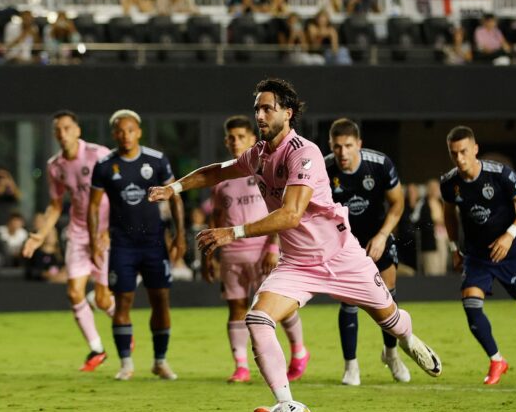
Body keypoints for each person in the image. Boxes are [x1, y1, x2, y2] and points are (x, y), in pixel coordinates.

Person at [148, 78, 441, 412]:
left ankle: (407, 339)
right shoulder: (258, 154)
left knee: (391, 321)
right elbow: (219, 171)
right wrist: (174, 188)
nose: (260, 115)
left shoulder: (304, 152)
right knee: (257, 320)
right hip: (298, 264)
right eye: (257, 108)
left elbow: (291, 214)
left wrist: (232, 233)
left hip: (341, 255)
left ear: (287, 113)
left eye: (267, 108)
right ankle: (288, 408)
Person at [441, 126, 516, 384]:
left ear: (475, 149)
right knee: (471, 307)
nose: (459, 158)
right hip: (477, 257)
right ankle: (496, 360)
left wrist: (509, 235)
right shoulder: (449, 183)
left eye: (464, 151)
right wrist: (454, 248)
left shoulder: (499, 174)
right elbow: (449, 215)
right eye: (454, 153)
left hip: (510, 255)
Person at [208, 116, 309, 384]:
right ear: (225, 141)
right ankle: (241, 366)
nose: (235, 142)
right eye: (231, 138)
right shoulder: (222, 179)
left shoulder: (266, 169)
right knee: (236, 307)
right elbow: (217, 218)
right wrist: (210, 255)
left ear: (253, 139)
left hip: (263, 251)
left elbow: (280, 212)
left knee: (280, 307)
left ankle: (299, 352)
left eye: (241, 137)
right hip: (232, 253)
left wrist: (273, 246)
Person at [89, 109, 186, 381]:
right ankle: (126, 364)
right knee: (123, 301)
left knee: (161, 300)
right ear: (114, 134)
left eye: (130, 130)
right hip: (122, 245)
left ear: (139, 132)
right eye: (120, 131)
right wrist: (95, 239)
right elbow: (93, 206)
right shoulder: (105, 165)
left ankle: (160, 361)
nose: (126, 135)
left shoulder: (156, 160)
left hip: (154, 242)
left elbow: (175, 197)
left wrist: (180, 235)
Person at [22, 110, 116, 372]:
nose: (62, 134)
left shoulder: (98, 154)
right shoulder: (55, 166)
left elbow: (118, 190)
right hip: (78, 232)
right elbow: (55, 205)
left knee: (103, 300)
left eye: (66, 128)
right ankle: (97, 350)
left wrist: (112, 229)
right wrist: (41, 234)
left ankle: (123, 327)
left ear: (77, 130)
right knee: (74, 292)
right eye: (58, 130)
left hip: (103, 231)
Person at [325, 118, 409, 385]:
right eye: (337, 146)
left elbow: (398, 203)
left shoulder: (380, 164)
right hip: (343, 242)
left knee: (387, 294)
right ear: (331, 145)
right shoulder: (323, 169)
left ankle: (391, 355)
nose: (343, 152)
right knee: (349, 300)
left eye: (348, 145)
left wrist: (382, 236)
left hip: (377, 235)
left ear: (359, 144)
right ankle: (351, 366)